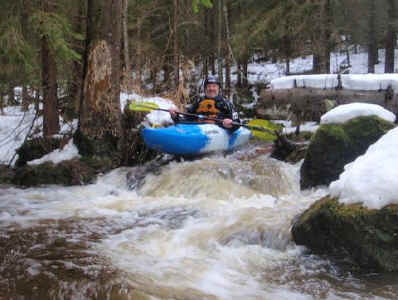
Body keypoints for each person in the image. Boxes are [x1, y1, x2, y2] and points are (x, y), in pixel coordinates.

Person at [169, 75, 240, 129]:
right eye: (209, 86)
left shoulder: (226, 103)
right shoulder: (198, 101)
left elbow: (237, 122)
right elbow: (186, 119)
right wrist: (175, 116)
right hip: (198, 129)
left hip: (219, 129)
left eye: (214, 86)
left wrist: (230, 124)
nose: (211, 89)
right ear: (205, 88)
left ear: (218, 88)